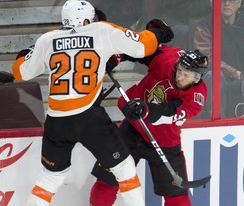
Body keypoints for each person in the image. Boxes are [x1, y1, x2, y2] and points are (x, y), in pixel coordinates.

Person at [12, 0, 173, 206]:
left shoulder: (48, 39)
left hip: (56, 121)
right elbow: (142, 46)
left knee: (49, 178)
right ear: (87, 19)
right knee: (124, 169)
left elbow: (21, 72)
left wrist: (25, 53)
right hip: (88, 117)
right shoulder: (101, 30)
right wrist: (157, 33)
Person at [89, 35, 208, 205]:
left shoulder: (196, 97)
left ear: (197, 78)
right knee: (107, 181)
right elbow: (140, 50)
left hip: (165, 140)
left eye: (186, 75)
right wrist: (117, 57)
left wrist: (146, 110)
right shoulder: (168, 58)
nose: (179, 76)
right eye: (180, 70)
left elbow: (169, 112)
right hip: (132, 129)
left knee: (177, 196)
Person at [194, 0, 244, 117]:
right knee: (213, 76)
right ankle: (217, 121)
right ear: (215, 2)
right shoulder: (204, 25)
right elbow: (207, 58)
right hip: (223, 77)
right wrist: (235, 73)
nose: (227, 4)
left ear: (239, 3)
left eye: (232, 0)